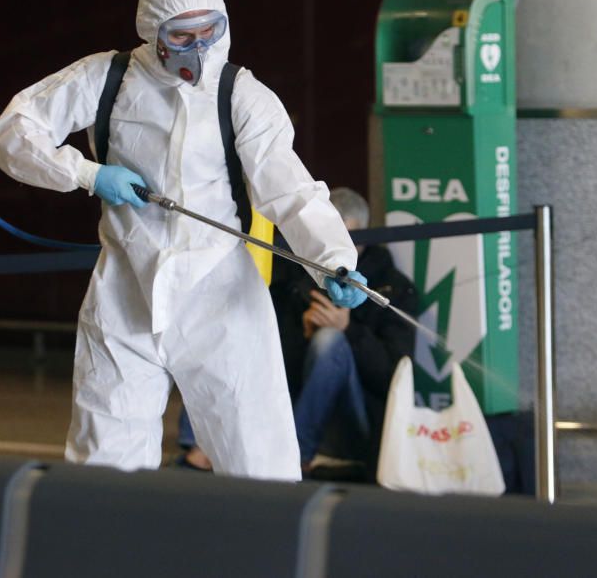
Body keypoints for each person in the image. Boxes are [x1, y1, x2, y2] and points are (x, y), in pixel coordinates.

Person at [0, 0, 368, 480]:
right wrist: (87, 173)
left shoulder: (243, 97)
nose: (200, 49)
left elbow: (293, 192)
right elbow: (11, 131)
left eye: (211, 31)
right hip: (125, 296)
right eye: (183, 36)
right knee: (104, 466)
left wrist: (334, 260)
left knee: (261, 463)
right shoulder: (107, 79)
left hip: (222, 299)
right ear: (153, 31)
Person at [177, 188, 417, 478]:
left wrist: (349, 331)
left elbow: (396, 378)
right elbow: (271, 362)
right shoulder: (294, 275)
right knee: (231, 319)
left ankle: (297, 457)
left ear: (364, 235)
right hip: (290, 409)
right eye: (326, 240)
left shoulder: (392, 286)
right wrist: (301, 333)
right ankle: (204, 442)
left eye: (347, 239)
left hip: (358, 420)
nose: (334, 251)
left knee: (330, 342)